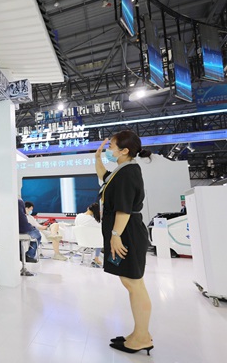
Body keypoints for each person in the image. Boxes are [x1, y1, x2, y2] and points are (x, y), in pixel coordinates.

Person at [95, 130, 153, 355]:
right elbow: (104, 178)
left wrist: (116, 234)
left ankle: (142, 337)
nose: (109, 150)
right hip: (125, 231)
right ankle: (139, 333)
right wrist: (97, 158)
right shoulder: (122, 170)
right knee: (131, 283)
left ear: (124, 150)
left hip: (127, 233)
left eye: (111, 146)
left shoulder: (128, 173)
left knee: (134, 284)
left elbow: (124, 208)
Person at [54, 202, 102, 266]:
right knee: (100, 237)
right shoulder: (93, 220)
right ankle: (96, 258)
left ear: (88, 208)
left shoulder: (78, 216)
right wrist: (100, 217)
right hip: (90, 241)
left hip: (79, 239)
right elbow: (101, 227)